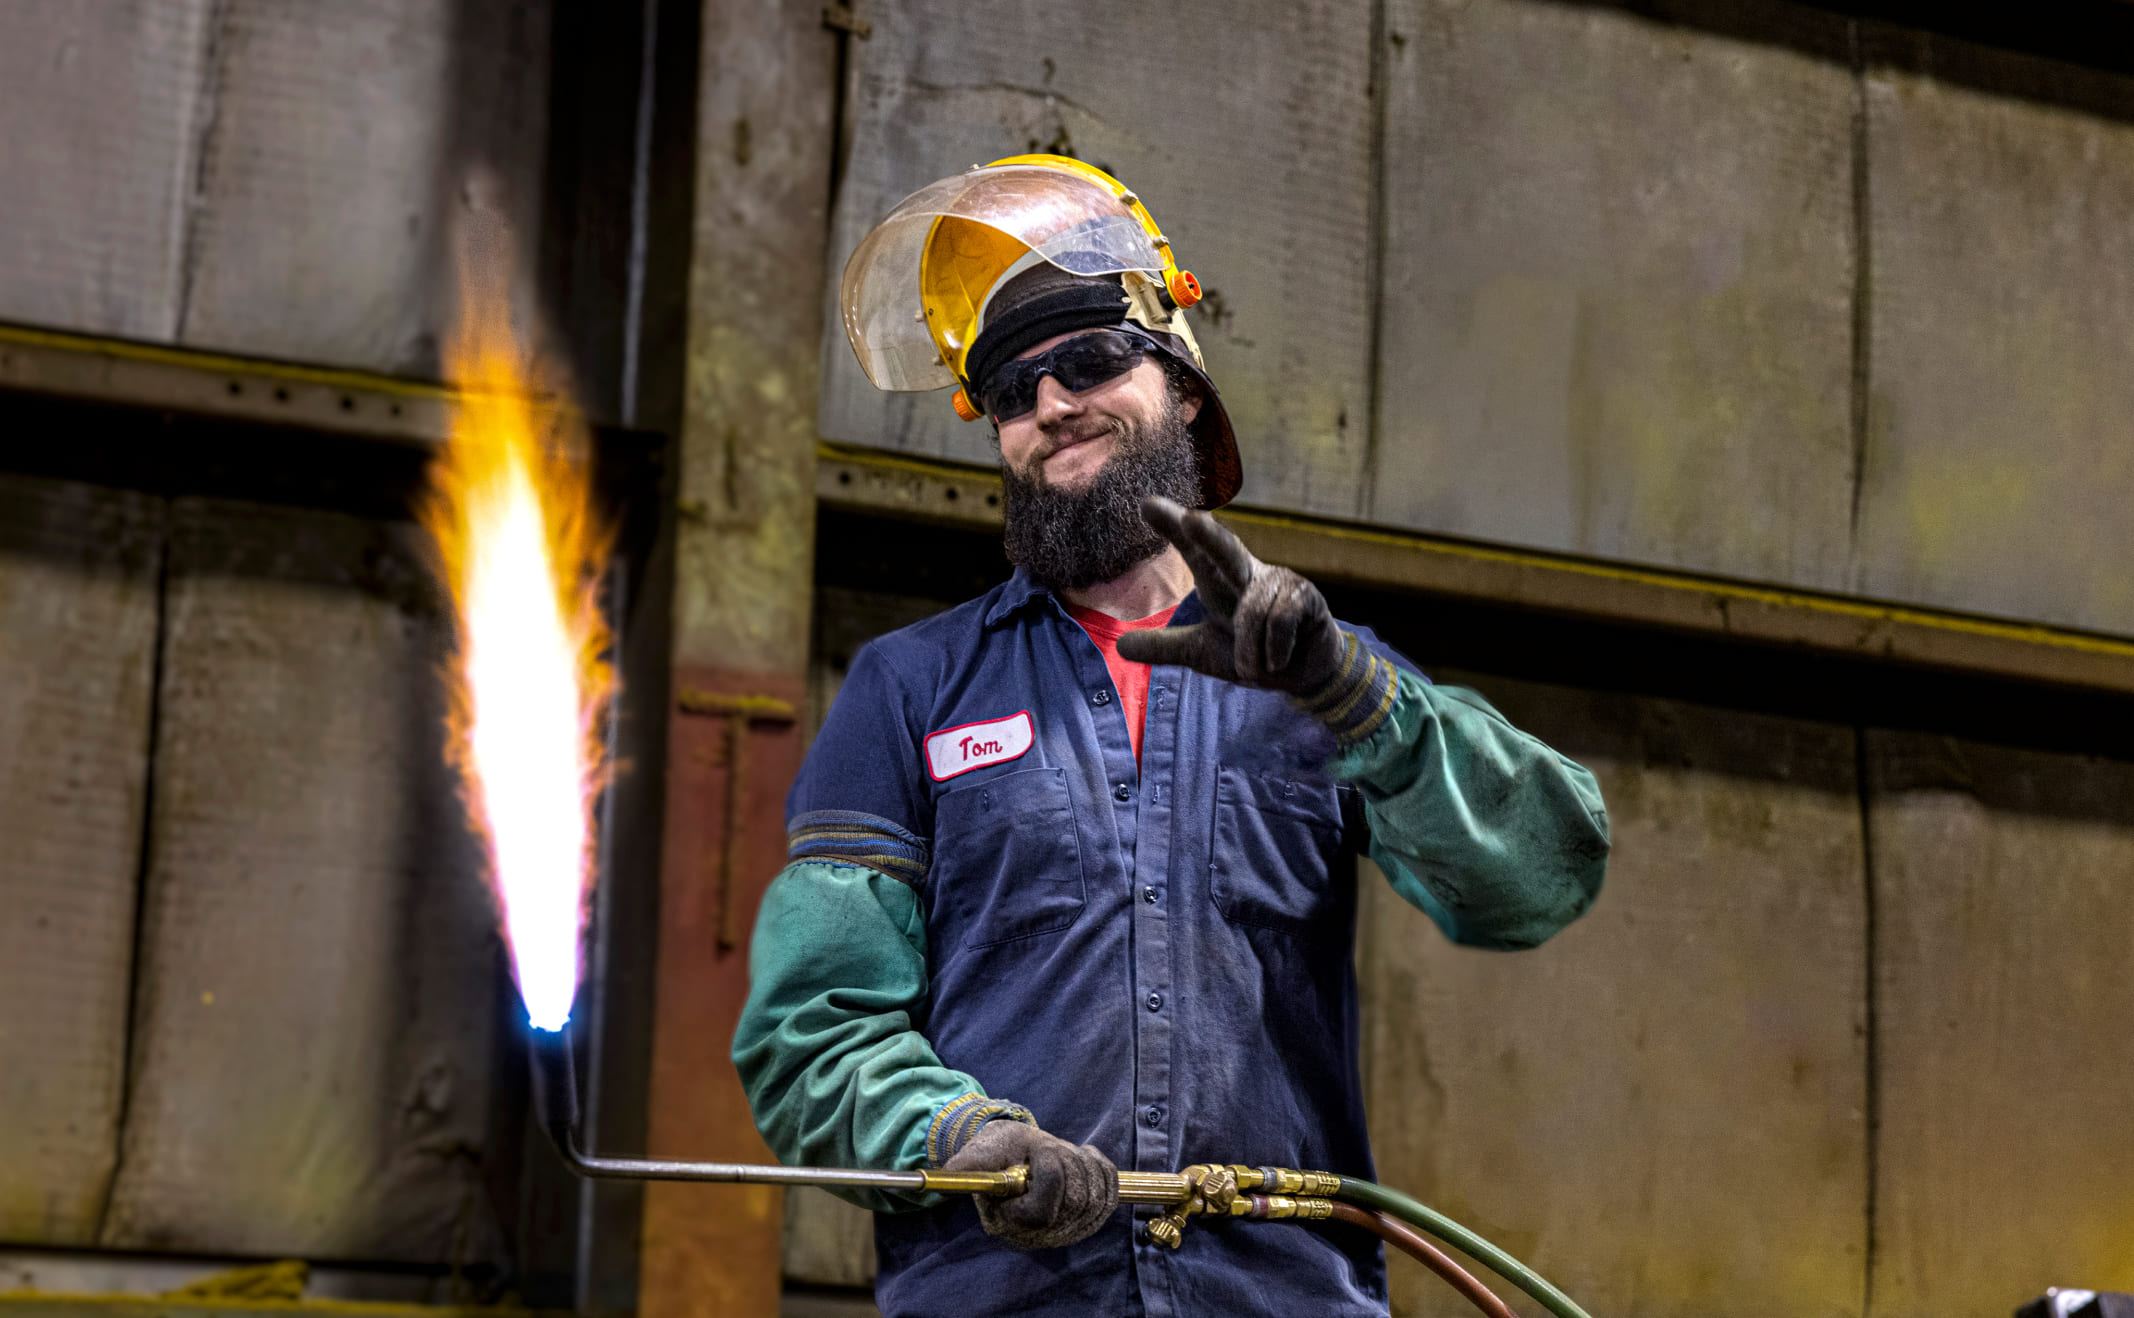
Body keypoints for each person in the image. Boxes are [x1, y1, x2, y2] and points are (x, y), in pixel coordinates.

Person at [734, 155, 1610, 1317]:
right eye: (1008, 388)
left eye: (1089, 359)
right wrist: (958, 1132)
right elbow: (812, 1031)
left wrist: (1357, 698)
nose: (1050, 403)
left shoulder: (1315, 667)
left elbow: (1541, 874)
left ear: (1182, 388)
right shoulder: (911, 690)